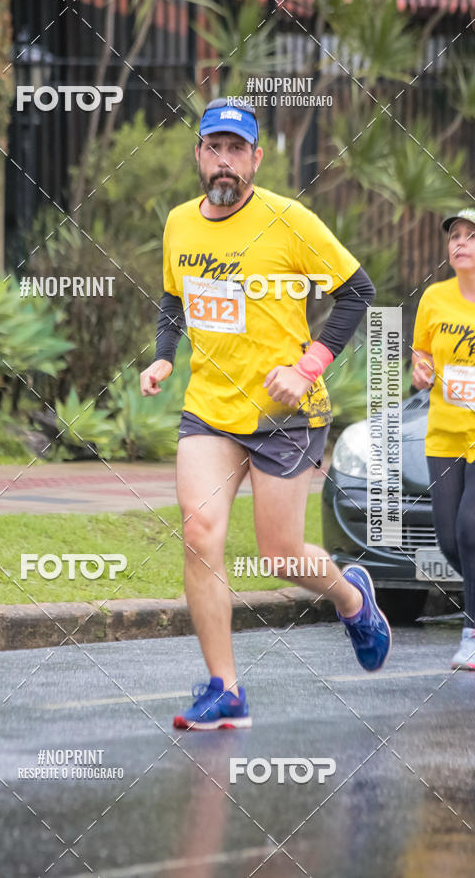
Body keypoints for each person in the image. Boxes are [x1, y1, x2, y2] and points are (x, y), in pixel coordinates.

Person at [140, 98, 391, 730]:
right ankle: (226, 689)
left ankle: (352, 599)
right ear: (198, 154)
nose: (223, 162)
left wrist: (306, 367)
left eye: (236, 150)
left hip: (286, 414)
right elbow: (176, 296)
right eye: (212, 148)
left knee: (280, 556)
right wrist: (165, 358)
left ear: (256, 158)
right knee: (200, 535)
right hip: (210, 413)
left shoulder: (290, 220)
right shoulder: (178, 223)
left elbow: (358, 290)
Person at [412, 208, 475, 670]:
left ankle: (471, 633)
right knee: (450, 540)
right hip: (444, 435)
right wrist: (420, 371)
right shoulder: (433, 299)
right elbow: (422, 357)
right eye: (456, 235)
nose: (461, 242)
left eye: (472, 236)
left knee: (471, 531)